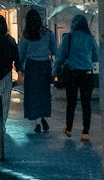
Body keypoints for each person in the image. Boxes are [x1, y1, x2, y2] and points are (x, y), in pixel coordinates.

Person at [54, 13, 99, 142]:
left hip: (72, 74)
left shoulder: (68, 37)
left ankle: (69, 128)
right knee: (86, 104)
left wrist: (55, 69)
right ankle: (85, 133)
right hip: (87, 74)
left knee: (71, 102)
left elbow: (61, 56)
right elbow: (96, 57)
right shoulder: (90, 38)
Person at [18, 8, 55, 133]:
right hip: (44, 65)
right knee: (44, 93)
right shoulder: (48, 33)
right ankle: (43, 116)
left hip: (31, 66)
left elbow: (20, 53)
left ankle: (37, 122)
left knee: (32, 94)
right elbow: (55, 49)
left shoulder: (26, 35)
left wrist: (20, 67)